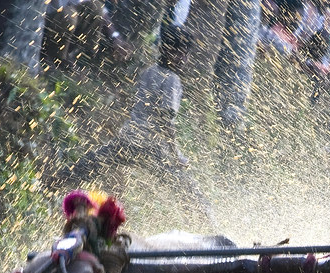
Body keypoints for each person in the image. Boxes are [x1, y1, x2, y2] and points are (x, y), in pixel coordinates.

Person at [54, 25, 214, 217]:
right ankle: (207, 218)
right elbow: (165, 122)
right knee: (185, 188)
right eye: (182, 54)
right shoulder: (172, 80)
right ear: (170, 51)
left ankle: (57, 180)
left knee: (93, 163)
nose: (185, 59)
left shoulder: (149, 71)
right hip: (151, 148)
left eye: (186, 54)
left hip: (128, 139)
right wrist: (176, 155)